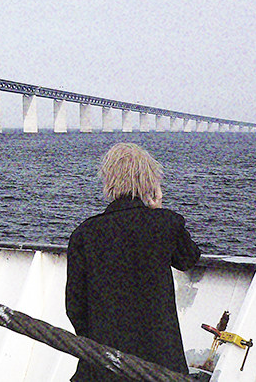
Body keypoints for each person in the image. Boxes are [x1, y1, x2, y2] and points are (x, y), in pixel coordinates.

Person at [65, 143, 199, 382]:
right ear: (150, 182)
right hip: (162, 361)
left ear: (109, 181)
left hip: (104, 362)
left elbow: (75, 306)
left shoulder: (85, 234)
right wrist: (157, 208)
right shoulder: (166, 223)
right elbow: (188, 259)